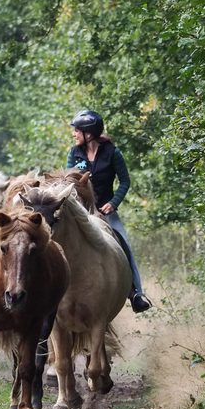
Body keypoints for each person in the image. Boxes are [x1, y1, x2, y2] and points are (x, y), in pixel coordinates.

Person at [66, 109, 152, 313]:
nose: (73, 134)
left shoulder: (112, 153)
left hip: (107, 210)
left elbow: (125, 181)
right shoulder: (73, 153)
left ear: (89, 133)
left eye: (76, 130)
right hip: (81, 211)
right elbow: (69, 182)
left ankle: (136, 294)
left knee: (123, 243)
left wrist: (113, 203)